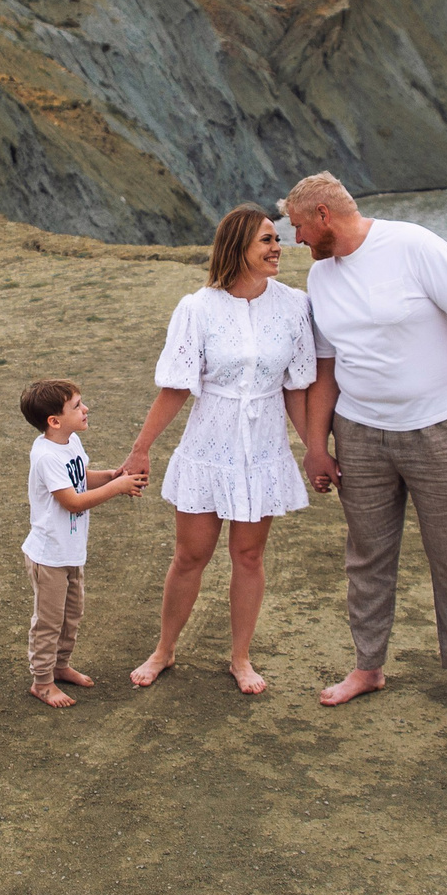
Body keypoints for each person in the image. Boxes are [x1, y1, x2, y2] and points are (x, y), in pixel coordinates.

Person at [282, 172, 447, 718]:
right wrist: (317, 444)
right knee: (367, 556)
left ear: (324, 214)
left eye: (299, 226)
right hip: (360, 433)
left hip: (440, 427)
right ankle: (368, 667)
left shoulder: (417, 246)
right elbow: (326, 366)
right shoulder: (321, 278)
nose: (295, 239)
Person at [117, 205, 317, 695]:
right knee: (190, 556)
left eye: (277, 239)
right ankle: (164, 649)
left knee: (249, 557)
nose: (278, 249)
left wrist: (315, 449)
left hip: (264, 446)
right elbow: (176, 388)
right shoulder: (197, 309)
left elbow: (295, 388)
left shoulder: (296, 305)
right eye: (266, 241)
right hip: (209, 447)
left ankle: (241, 658)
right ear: (237, 248)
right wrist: (140, 450)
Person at [17, 378, 145, 708]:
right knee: (49, 621)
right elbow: (72, 501)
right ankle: (42, 682)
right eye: (77, 406)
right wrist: (118, 489)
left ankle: (60, 666)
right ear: (54, 421)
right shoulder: (46, 456)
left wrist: (115, 475)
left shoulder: (70, 442)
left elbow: (83, 478)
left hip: (70, 551)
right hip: (49, 556)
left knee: (71, 613)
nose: (85, 409)